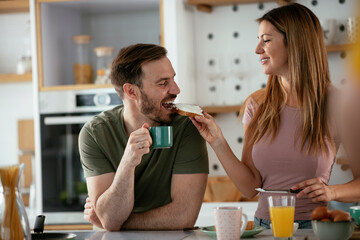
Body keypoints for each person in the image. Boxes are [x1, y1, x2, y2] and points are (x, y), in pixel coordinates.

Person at [191, 3, 341, 229]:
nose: (257, 49)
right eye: (258, 39)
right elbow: (250, 188)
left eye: (266, 40)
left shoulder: (337, 104)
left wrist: (332, 191)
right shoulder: (257, 104)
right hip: (263, 229)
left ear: (296, 42)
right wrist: (217, 141)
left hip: (314, 229)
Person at [78, 43, 209, 231]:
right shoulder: (95, 134)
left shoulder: (187, 127)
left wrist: (116, 224)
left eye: (173, 79)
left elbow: (184, 216)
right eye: (163, 83)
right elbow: (109, 218)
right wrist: (127, 164)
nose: (176, 90)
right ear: (131, 91)